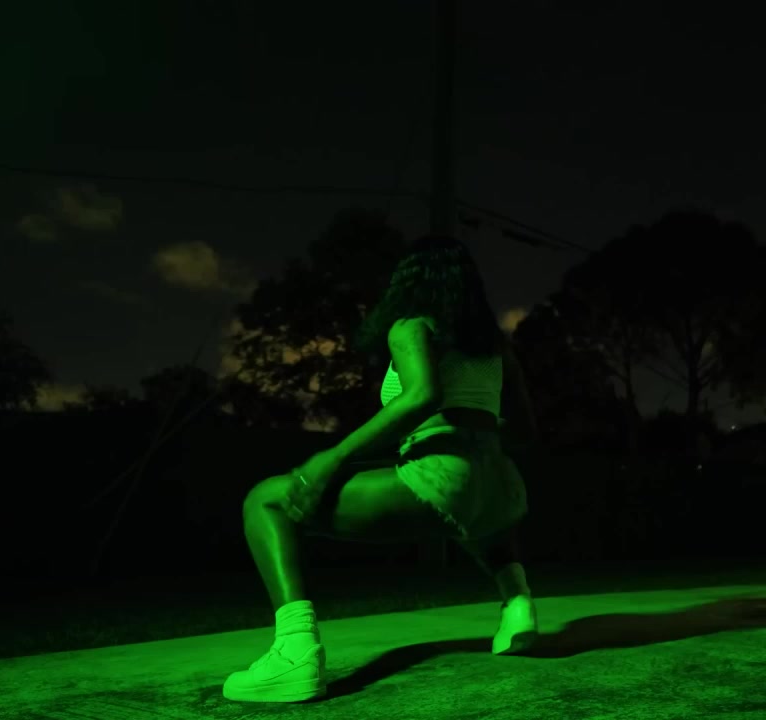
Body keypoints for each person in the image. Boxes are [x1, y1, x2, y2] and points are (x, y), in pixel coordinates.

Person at [223, 234, 542, 703]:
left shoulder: (411, 326)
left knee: (266, 500)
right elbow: (526, 430)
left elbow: (422, 397)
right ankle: (518, 606)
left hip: (447, 479)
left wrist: (333, 458)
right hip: (502, 487)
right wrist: (473, 451)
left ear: (407, 281)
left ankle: (294, 654)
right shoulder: (495, 348)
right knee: (471, 511)